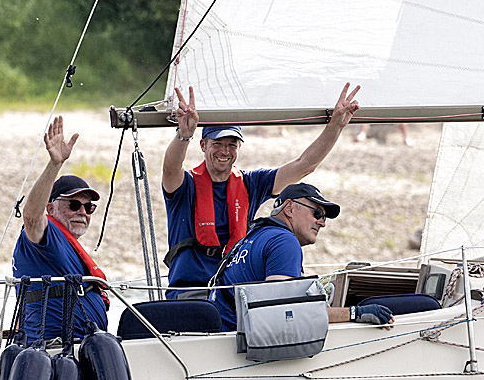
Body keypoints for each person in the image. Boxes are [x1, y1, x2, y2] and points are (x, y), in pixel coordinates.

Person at [162, 83, 362, 299]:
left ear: (239, 148)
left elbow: (304, 165)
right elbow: (170, 169)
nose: (224, 151)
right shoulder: (185, 186)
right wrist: (184, 134)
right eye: (217, 143)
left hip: (232, 296)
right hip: (190, 293)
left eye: (232, 144)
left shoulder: (250, 184)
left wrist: (336, 126)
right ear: (203, 145)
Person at [208, 182, 394, 331]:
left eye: (324, 217)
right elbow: (284, 311)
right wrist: (354, 313)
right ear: (289, 208)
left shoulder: (254, 236)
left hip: (218, 335)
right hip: (233, 346)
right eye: (317, 213)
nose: (322, 223)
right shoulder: (284, 241)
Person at [11, 116, 109, 342]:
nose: (82, 212)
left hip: (85, 344)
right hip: (51, 348)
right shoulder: (43, 236)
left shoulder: (69, 246)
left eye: (88, 207)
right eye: (73, 205)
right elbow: (31, 216)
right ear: (51, 208)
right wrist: (55, 164)